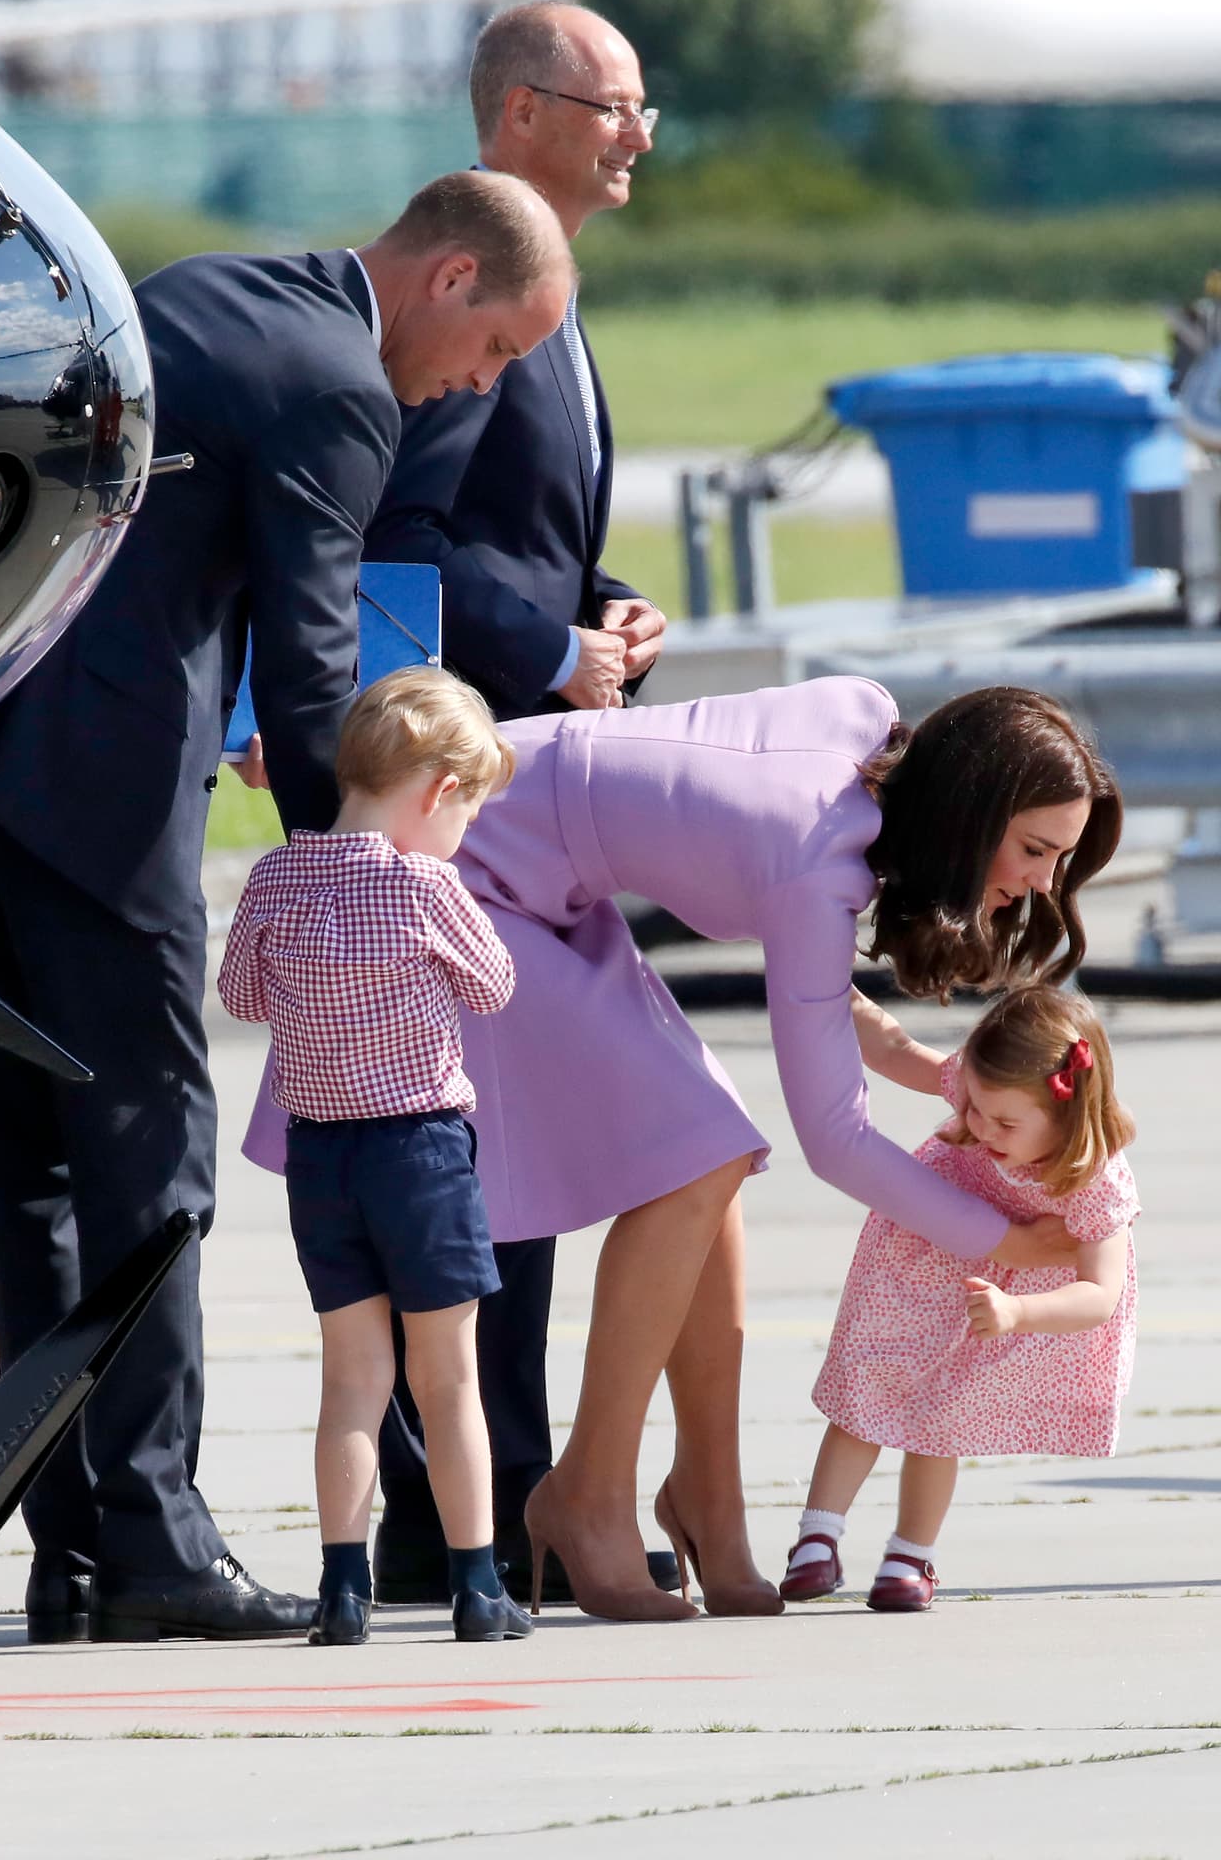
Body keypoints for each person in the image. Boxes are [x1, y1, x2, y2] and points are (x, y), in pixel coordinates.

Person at [0, 170, 573, 1645]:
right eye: (489, 356)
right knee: (155, 1165)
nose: (465, 388)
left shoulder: (205, 292)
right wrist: (347, 887)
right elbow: (310, 667)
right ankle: (157, 1543)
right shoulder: (343, 385)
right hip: (100, 805)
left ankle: (75, 1545)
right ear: (452, 280)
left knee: (29, 1168)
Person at [246, 676, 1123, 1622]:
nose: (1041, 881)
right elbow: (836, 1140)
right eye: (1034, 850)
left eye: (1058, 860)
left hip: (536, 881)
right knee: (701, 1148)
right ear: (965, 812)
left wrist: (931, 1071)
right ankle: (586, 1499)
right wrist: (997, 1237)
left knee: (712, 1148)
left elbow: (812, 975)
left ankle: (708, 1498)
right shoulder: (817, 857)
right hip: (463, 878)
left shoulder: (864, 730)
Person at [362, 0, 671, 1606]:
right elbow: (406, 543)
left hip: (527, 762)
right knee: (465, 1165)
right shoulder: (473, 282)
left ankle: (513, 1498)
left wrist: (602, 610)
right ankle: (455, 1521)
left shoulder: (550, 278)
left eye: (644, 108)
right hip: (462, 803)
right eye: (613, 105)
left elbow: (522, 531)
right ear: (522, 113)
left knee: (516, 1160)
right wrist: (544, 643)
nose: (636, 132)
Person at [219, 670, 532, 1646]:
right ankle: (477, 1587)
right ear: (438, 790)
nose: (464, 832)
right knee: (447, 1381)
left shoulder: (276, 877)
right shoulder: (427, 885)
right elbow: (494, 988)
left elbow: (238, 997)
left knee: (351, 1380)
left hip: (320, 1159)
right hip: (421, 1152)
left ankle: (341, 1590)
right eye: (468, 811)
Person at [784, 985, 1137, 1614]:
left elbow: (1100, 1294)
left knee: (941, 1420)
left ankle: (906, 1556)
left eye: (1004, 1123)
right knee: (867, 1384)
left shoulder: (1095, 1178)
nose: (979, 1128)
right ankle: (817, 1538)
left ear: (1068, 1113)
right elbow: (896, 1051)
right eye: (973, 1108)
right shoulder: (988, 1087)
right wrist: (830, 982)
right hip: (922, 1261)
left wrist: (1017, 1311)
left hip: (998, 1300)